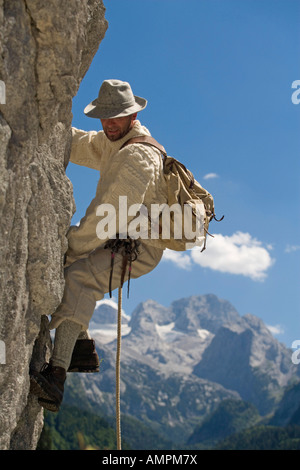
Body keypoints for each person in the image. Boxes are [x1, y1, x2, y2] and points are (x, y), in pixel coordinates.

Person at [30, 80, 167, 412]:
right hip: (119, 237)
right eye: (104, 117)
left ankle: (56, 378)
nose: (109, 124)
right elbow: (79, 144)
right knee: (79, 275)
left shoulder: (139, 156)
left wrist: (69, 247)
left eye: (116, 116)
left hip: (139, 246)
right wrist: (41, 120)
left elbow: (108, 217)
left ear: (133, 113)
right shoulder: (114, 140)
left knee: (78, 277)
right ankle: (81, 345)